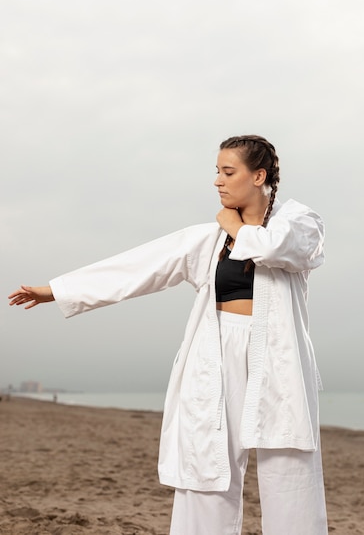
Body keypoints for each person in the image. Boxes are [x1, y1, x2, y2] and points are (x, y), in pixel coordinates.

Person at [9, 135, 328, 535]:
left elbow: (280, 249)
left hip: (278, 361)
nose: (217, 181)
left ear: (259, 175)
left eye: (228, 172)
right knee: (206, 471)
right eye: (217, 172)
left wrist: (235, 225)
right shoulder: (207, 239)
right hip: (214, 358)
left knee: (291, 474)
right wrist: (56, 290)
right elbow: (139, 267)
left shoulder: (300, 221)